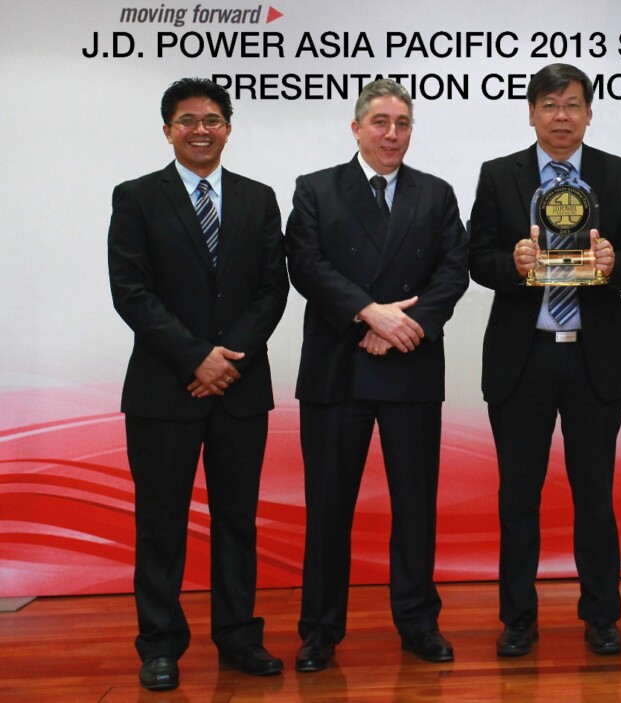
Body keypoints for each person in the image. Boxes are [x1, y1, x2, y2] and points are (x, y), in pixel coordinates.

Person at [107, 77, 289, 691]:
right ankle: (160, 645)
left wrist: (228, 359)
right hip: (164, 390)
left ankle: (239, 638)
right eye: (187, 120)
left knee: (237, 520)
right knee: (161, 523)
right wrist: (195, 359)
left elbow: (273, 288)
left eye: (212, 119)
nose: (201, 130)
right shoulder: (136, 197)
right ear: (168, 131)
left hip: (240, 386)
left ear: (228, 129)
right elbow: (131, 291)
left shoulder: (258, 198)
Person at [285, 78, 469, 671]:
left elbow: (454, 271)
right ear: (357, 128)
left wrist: (402, 327)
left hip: (410, 364)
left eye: (403, 123)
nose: (393, 134)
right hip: (337, 368)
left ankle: (418, 623)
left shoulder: (435, 193)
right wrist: (370, 313)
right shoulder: (316, 189)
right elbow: (305, 265)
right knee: (328, 507)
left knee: (415, 505)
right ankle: (319, 630)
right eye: (381, 122)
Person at [468, 63, 621, 657]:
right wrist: (514, 264)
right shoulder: (500, 175)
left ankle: (601, 615)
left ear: (589, 113)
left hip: (593, 358)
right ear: (531, 114)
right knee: (518, 497)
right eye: (549, 105)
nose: (561, 117)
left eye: (572, 105)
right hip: (523, 359)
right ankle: (518, 617)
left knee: (594, 495)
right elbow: (477, 258)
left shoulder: (616, 173)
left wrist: (613, 264)